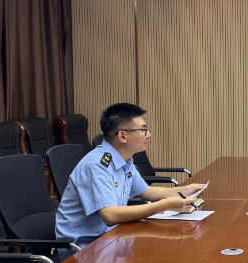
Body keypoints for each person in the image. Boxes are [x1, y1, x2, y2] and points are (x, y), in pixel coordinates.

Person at [55, 103, 206, 249]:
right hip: (83, 248)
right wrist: (165, 205)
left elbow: (147, 192)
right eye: (144, 129)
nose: (148, 135)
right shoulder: (97, 166)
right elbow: (110, 216)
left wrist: (185, 190)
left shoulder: (124, 160)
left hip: (111, 237)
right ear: (123, 136)